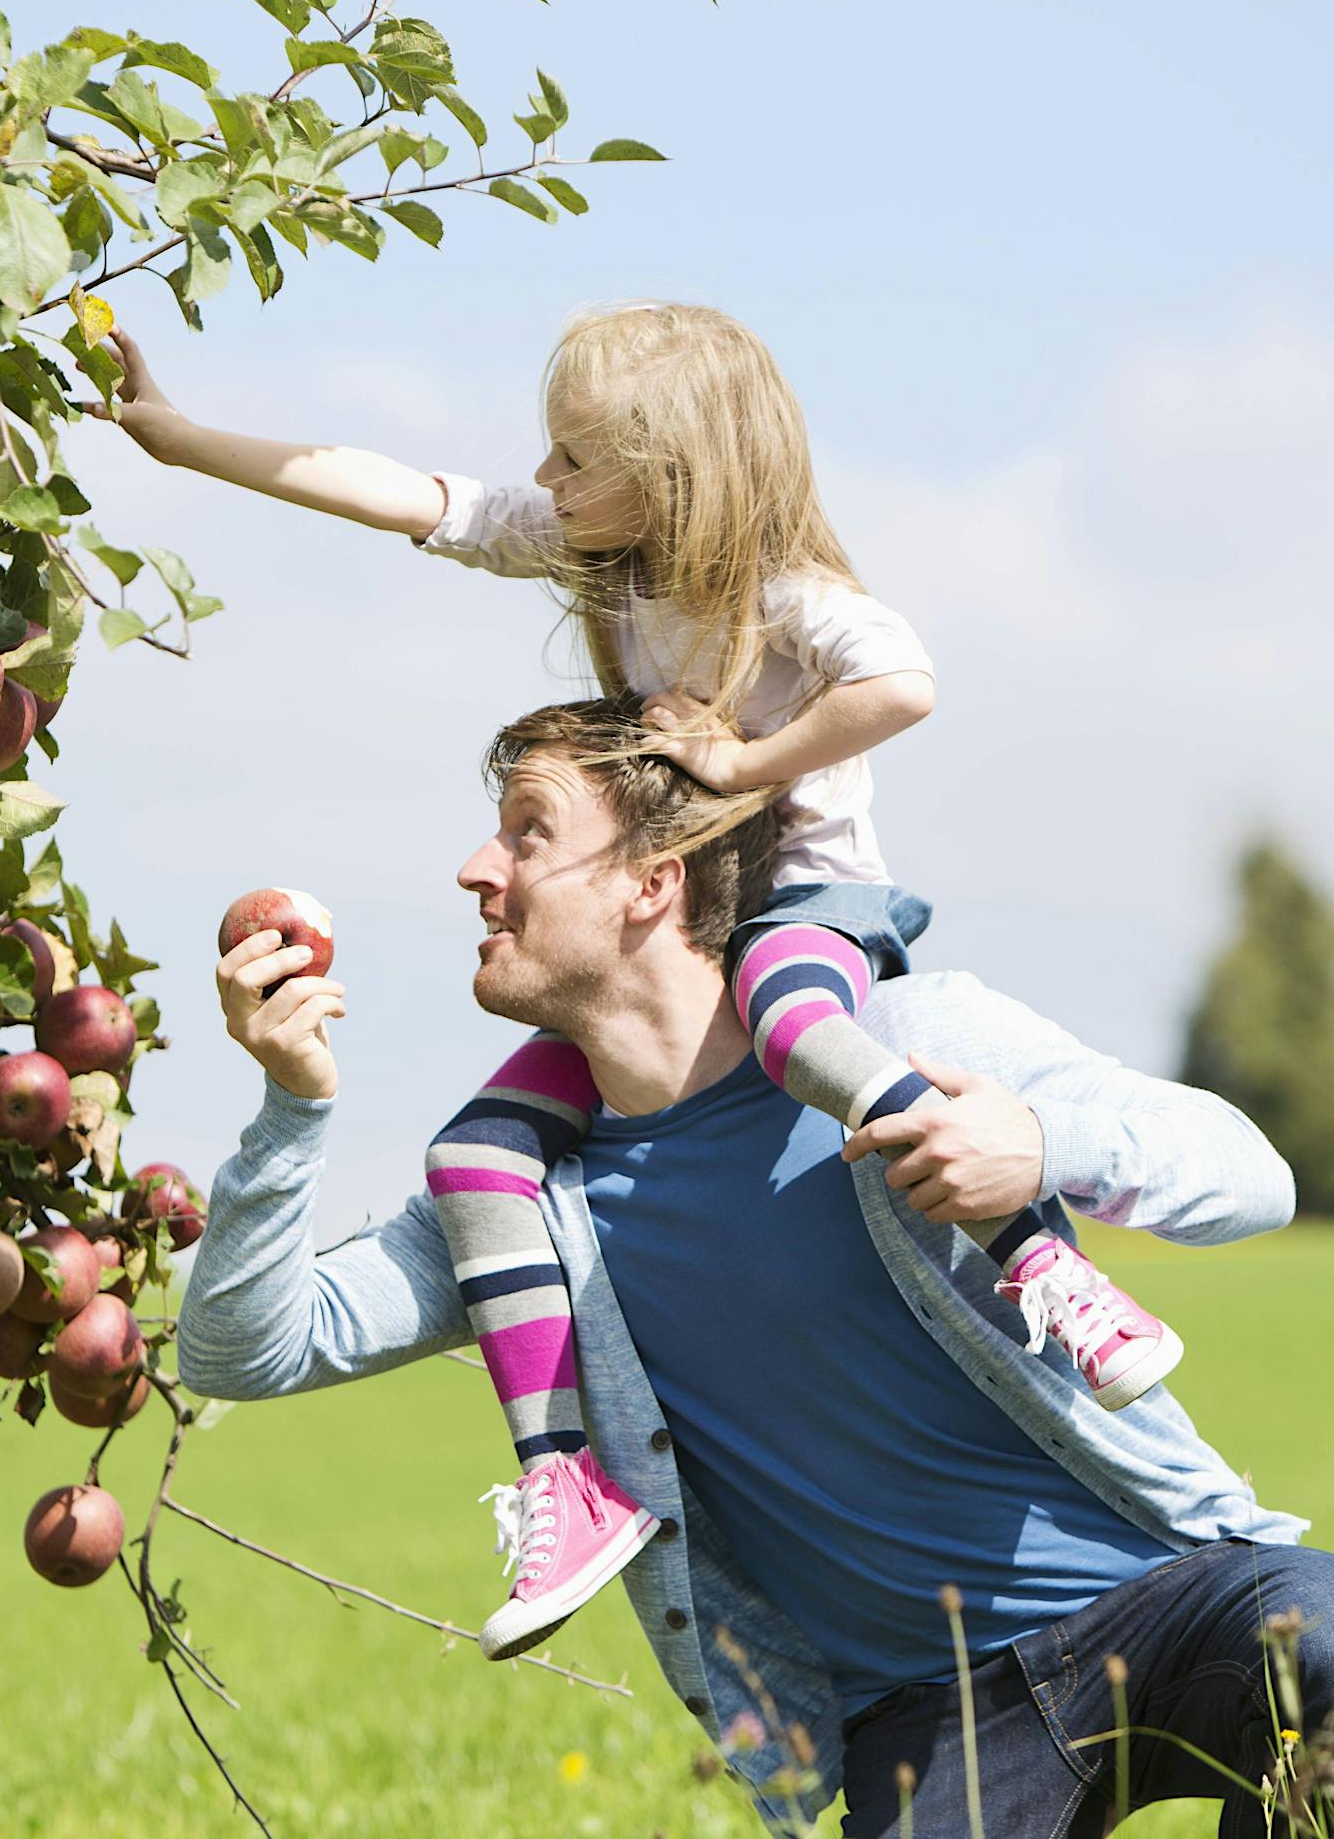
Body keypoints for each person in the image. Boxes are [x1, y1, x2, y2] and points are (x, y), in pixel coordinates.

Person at [88, 301, 1181, 1658]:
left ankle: (1040, 1263)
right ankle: (564, 1473)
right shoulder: (598, 555)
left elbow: (902, 682)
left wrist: (744, 764)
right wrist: (182, 440)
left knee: (795, 1024)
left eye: (572, 458)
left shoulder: (779, 595)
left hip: (806, 905)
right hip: (700, 930)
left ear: (670, 476)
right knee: (477, 1155)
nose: (540, 479)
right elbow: (403, 492)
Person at [176, 697, 1334, 1837]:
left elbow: (1250, 1172)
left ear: (651, 881)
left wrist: (1036, 1140)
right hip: (932, 1718)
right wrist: (291, 1106)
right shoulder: (524, 1211)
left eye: (525, 831)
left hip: (1164, 1600)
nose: (474, 867)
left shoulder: (907, 1034)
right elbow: (244, 1347)